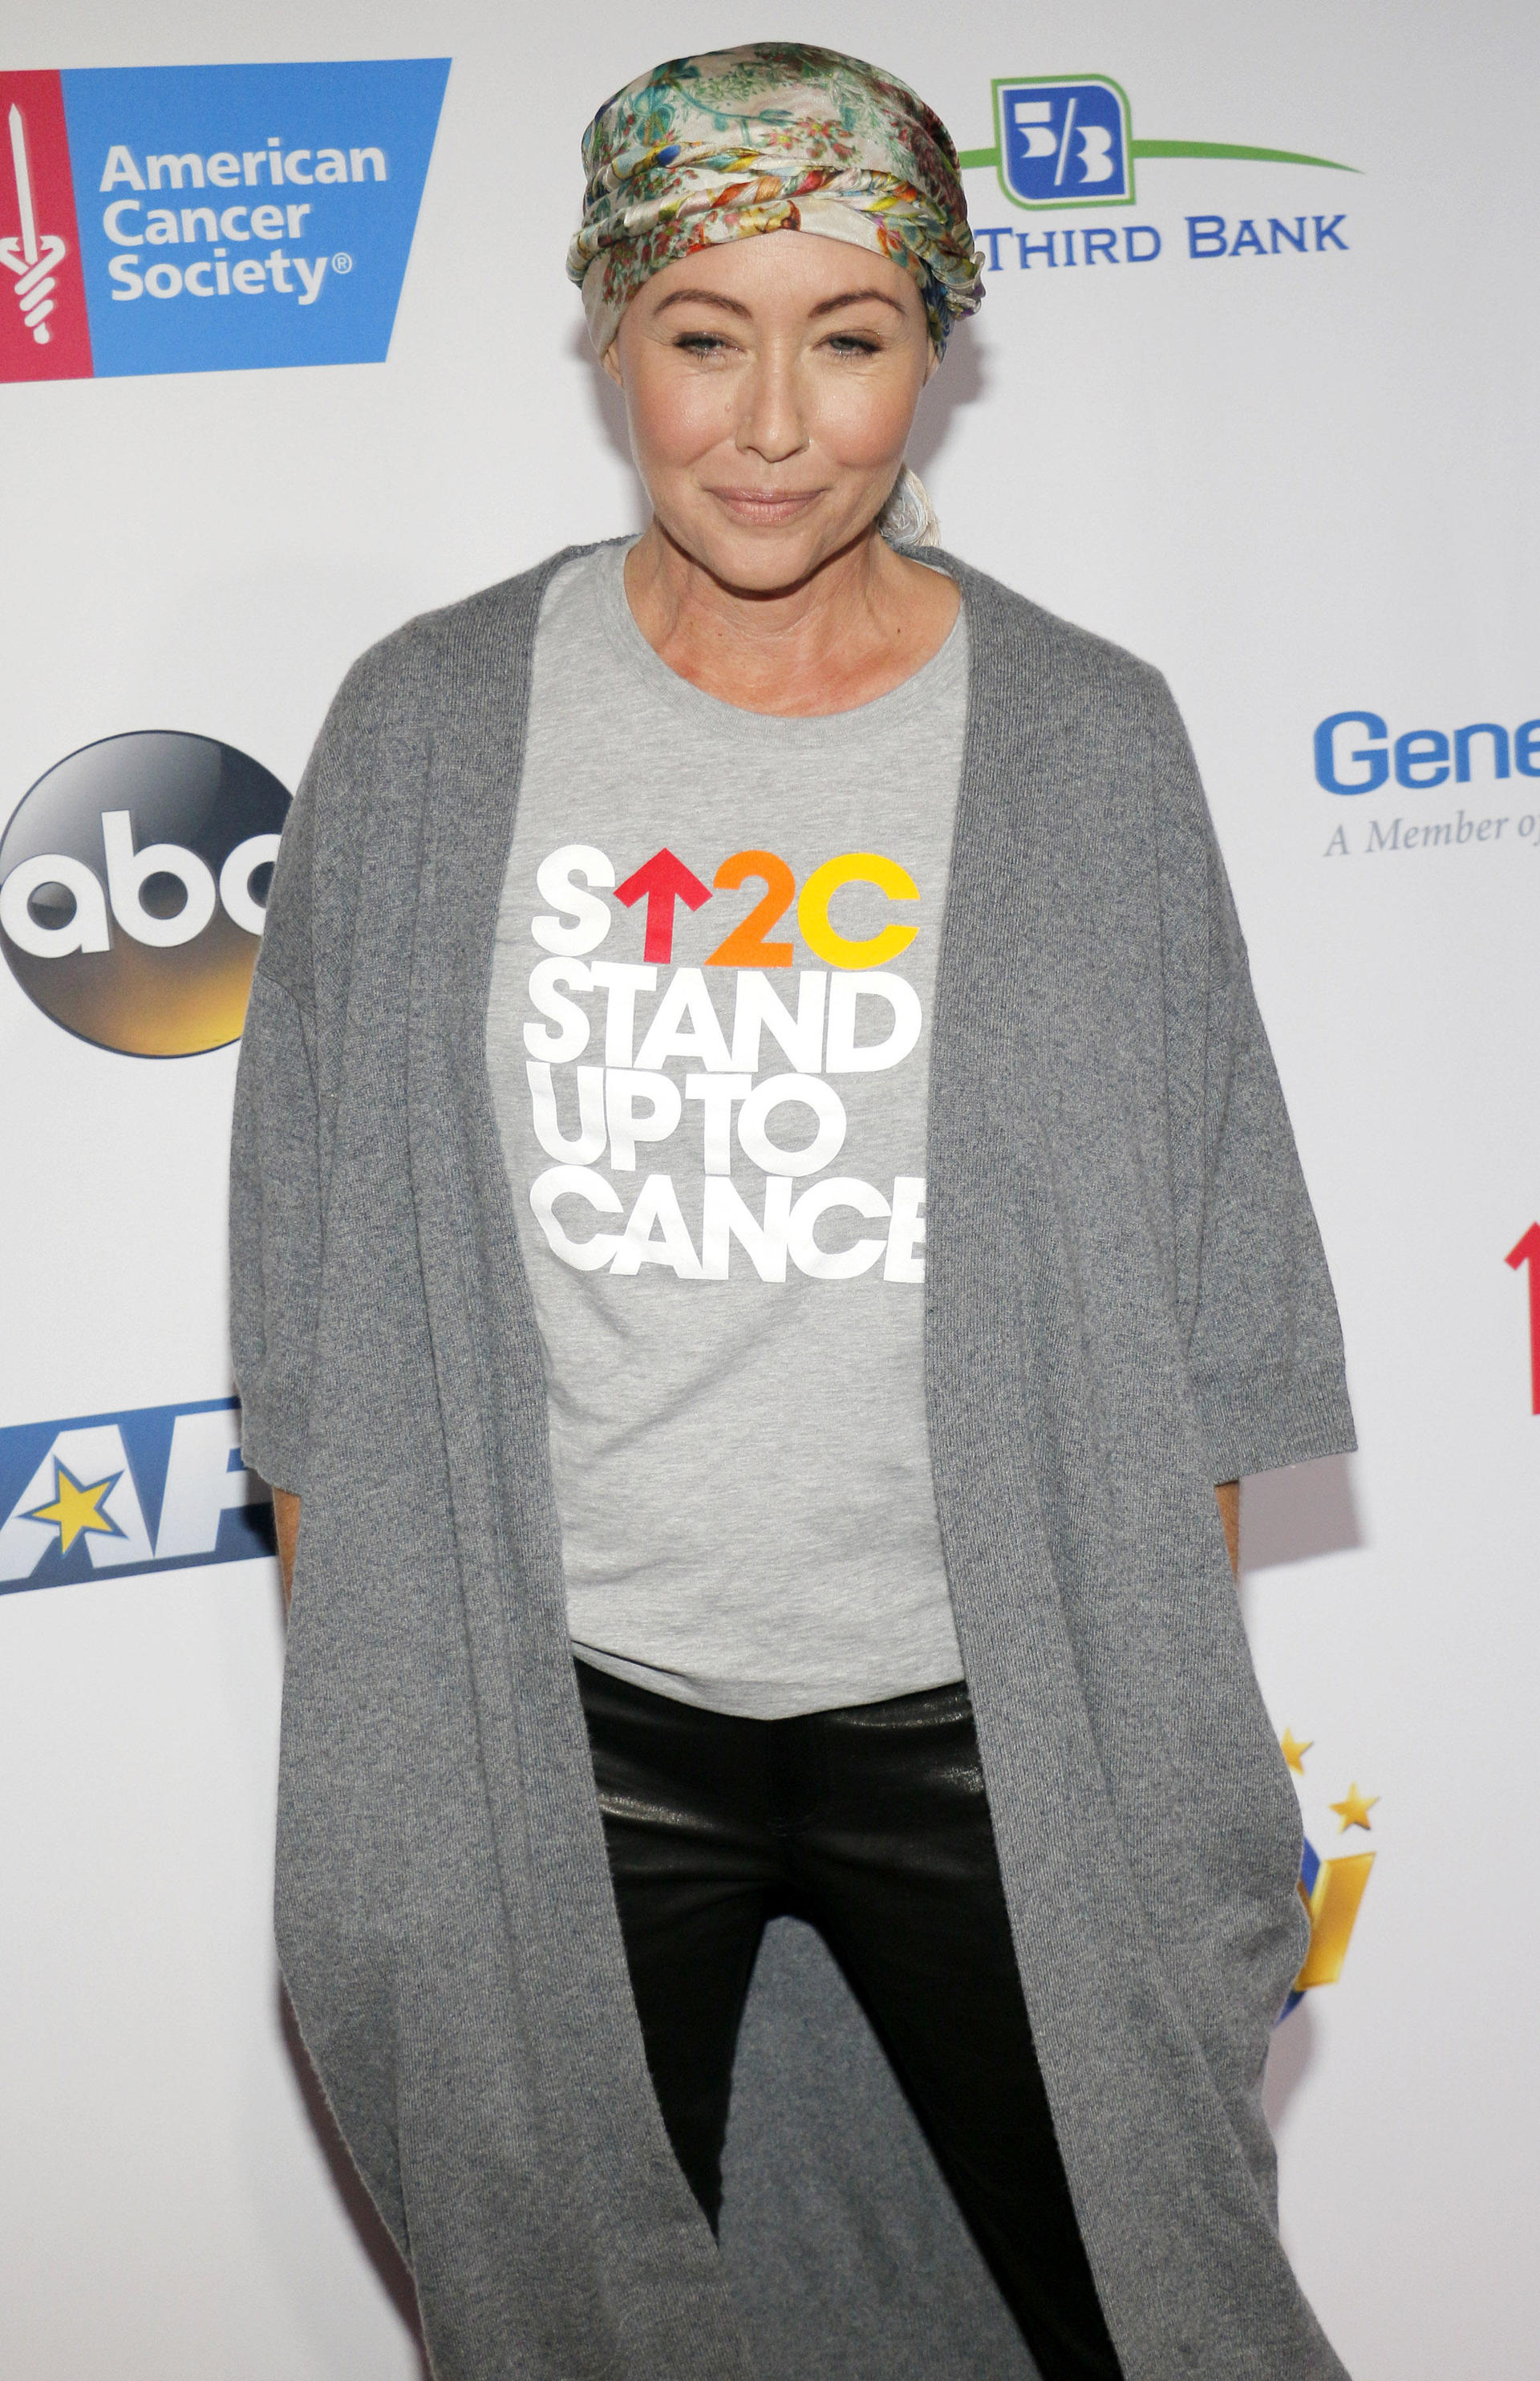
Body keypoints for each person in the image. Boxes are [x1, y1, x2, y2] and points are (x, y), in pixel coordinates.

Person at [232, 42, 1356, 2381]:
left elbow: (1203, 1276)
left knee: (1149, 2309)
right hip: (569, 1724)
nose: (770, 421)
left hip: (991, 1712)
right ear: (612, 338)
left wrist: (1134, 1691)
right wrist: (399, 1739)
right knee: (570, 2326)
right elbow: (322, 1289)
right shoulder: (432, 723)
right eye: (701, 332)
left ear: (931, 351)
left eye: (846, 337)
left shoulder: (1091, 735)